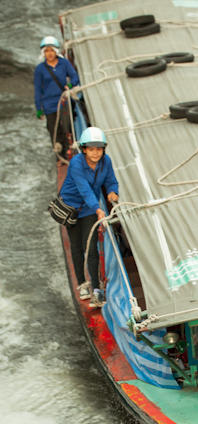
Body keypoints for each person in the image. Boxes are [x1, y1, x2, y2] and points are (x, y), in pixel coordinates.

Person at [59, 127, 119, 307]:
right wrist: (98, 208)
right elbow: (84, 189)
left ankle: (96, 288)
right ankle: (82, 283)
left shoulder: (105, 162)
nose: (95, 153)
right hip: (71, 208)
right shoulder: (76, 163)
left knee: (91, 248)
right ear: (83, 149)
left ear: (103, 150)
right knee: (77, 248)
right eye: (91, 149)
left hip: (89, 209)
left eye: (99, 149)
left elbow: (111, 180)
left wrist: (113, 191)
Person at [34, 36, 80, 164]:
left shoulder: (64, 63)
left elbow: (74, 77)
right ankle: (60, 156)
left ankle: (70, 152)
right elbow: (38, 89)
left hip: (64, 101)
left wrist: (70, 85)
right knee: (54, 130)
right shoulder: (40, 69)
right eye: (47, 51)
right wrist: (38, 108)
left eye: (52, 50)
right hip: (49, 105)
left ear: (56, 51)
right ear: (43, 53)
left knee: (67, 128)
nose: (49, 53)